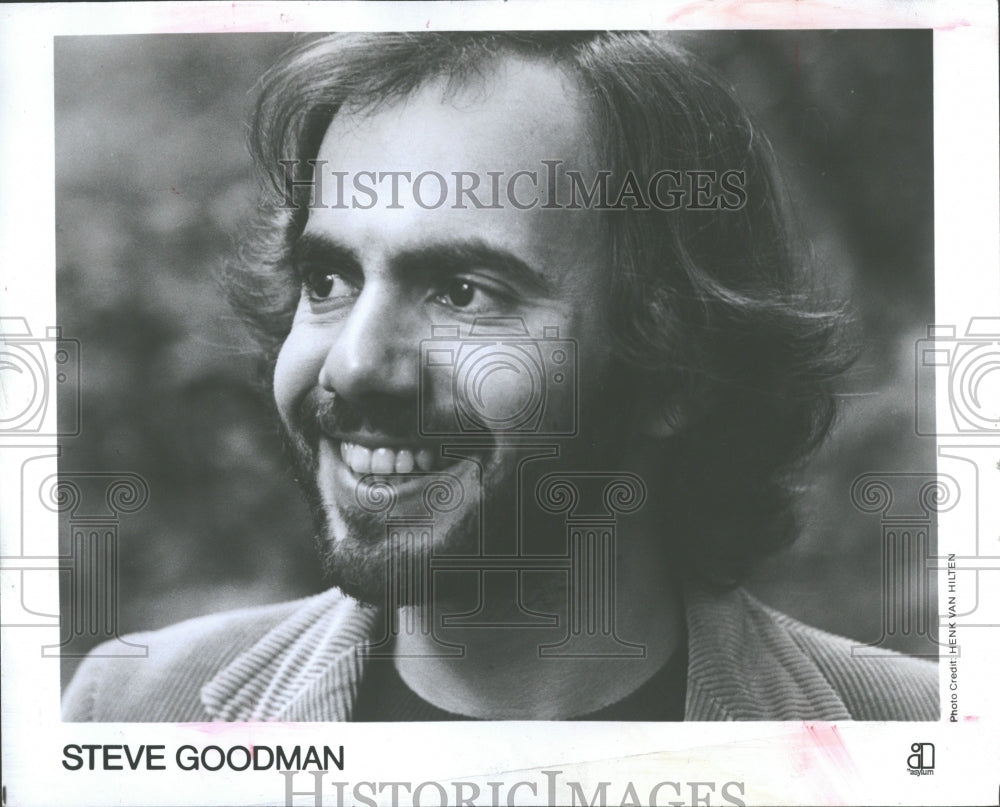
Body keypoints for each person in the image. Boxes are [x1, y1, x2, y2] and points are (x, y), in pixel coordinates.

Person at [63, 31, 937, 722]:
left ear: (676, 366)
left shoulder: (913, 736)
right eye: (328, 281)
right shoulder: (134, 711)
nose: (357, 364)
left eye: (462, 291)